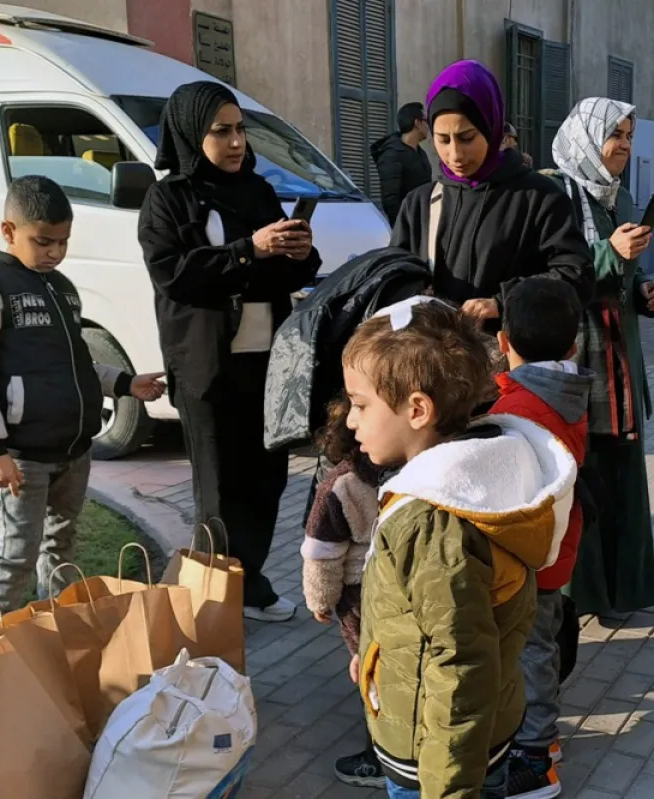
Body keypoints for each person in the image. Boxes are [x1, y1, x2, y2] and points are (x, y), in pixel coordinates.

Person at [345, 297, 578, 799]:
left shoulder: (433, 523)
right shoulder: (480, 475)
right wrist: (375, 656)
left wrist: (449, 791)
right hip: (472, 733)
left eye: (360, 404)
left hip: (432, 759)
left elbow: (460, 669)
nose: (349, 421)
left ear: (417, 409)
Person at [138, 81, 322, 622]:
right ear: (194, 135)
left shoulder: (257, 191)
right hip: (208, 367)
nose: (237, 141)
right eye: (222, 131)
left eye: (240, 129)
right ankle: (216, 600)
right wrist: (248, 251)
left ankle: (253, 581)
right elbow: (174, 275)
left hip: (266, 362)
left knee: (266, 478)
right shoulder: (167, 200)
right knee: (219, 488)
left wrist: (298, 253)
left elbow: (284, 267)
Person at [0, 176, 166, 626]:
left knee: (61, 545)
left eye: (63, 241)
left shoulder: (62, 287)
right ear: (8, 231)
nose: (55, 252)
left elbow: (78, 361)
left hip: (73, 450)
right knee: (16, 553)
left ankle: (57, 630)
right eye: (43, 241)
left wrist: (126, 384)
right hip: (22, 457)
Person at [545, 97, 654, 618]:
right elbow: (551, 276)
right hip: (579, 354)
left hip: (620, 355)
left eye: (628, 135)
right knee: (580, 473)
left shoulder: (620, 198)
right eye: (613, 134)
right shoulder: (555, 194)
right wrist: (607, 254)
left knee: (621, 471)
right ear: (586, 138)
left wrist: (645, 294)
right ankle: (580, 593)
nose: (622, 145)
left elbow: (625, 278)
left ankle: (622, 588)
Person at [389, 60, 594, 333]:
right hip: (436, 367)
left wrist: (503, 302)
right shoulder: (419, 204)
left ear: (491, 127)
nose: (455, 155)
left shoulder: (539, 197)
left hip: (512, 364)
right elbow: (395, 281)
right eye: (442, 139)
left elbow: (575, 277)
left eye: (467, 137)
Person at [491, 278, 593, 799]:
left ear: (503, 341)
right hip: (557, 547)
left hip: (529, 556)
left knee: (531, 651)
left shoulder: (517, 411)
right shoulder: (568, 390)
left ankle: (536, 761)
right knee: (540, 645)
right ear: (573, 346)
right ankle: (540, 741)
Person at [302, 397, 385, 789]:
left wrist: (319, 601)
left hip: (357, 596)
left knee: (370, 670)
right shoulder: (414, 465)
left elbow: (322, 555)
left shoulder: (339, 483)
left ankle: (380, 756)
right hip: (400, 591)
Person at [371, 102, 432, 225]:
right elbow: (390, 200)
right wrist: (403, 228)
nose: (428, 126)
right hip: (406, 225)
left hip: (423, 221)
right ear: (417, 123)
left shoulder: (421, 153)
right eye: (426, 120)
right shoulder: (392, 154)